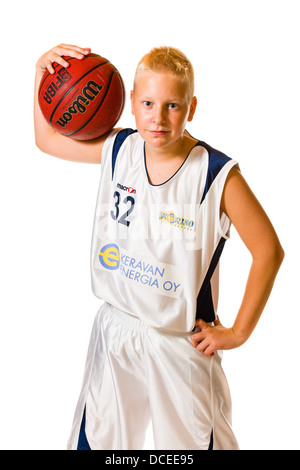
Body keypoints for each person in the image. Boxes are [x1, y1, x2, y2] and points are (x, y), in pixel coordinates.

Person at [34, 44, 284, 450]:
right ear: (130, 102)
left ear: (192, 107)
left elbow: (268, 250)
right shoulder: (119, 149)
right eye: (148, 102)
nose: (158, 116)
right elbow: (46, 140)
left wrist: (238, 332)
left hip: (180, 340)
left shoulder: (216, 173)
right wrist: (41, 72)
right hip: (116, 328)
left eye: (172, 105)